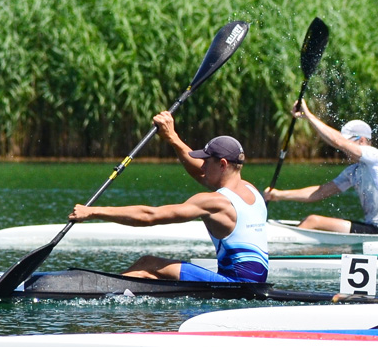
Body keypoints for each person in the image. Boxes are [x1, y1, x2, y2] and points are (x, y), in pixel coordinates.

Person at [68, 114, 269, 283]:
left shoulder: (215, 203)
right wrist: (171, 137)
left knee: (146, 264)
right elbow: (201, 173)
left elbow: (151, 216)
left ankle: (97, 295)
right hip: (254, 283)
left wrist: (93, 211)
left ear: (223, 164)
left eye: (206, 161)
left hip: (233, 286)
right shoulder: (251, 191)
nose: (202, 166)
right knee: (148, 275)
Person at [264, 100, 378, 234]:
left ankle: (286, 248)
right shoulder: (353, 171)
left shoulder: (376, 156)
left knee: (313, 221)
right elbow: (320, 192)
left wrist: (309, 116)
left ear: (362, 140)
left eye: (349, 143)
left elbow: (338, 142)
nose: (345, 151)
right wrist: (279, 194)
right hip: (371, 227)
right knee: (311, 221)